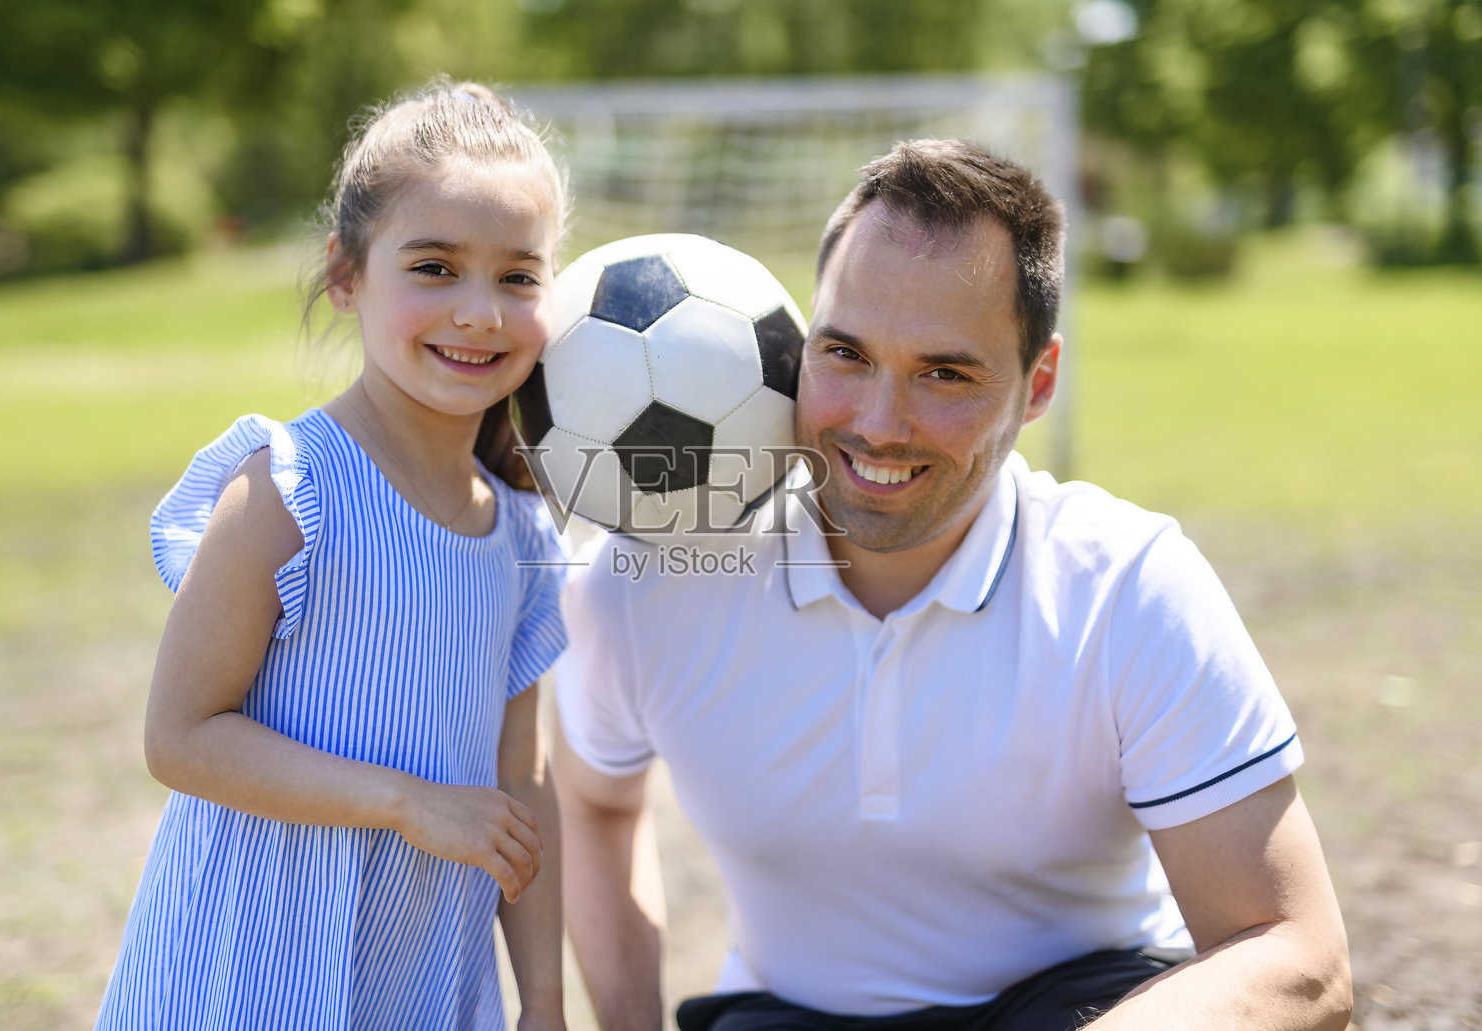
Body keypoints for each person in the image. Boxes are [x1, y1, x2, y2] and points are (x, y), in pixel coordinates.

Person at [553, 139, 1352, 1031]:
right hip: (790, 1014)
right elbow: (591, 800)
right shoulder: (645, 581)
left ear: (1037, 382)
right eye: (847, 354)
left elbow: (1298, 955)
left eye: (945, 374)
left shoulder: (1128, 587)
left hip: (1082, 1003)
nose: (877, 425)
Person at [95, 82, 572, 1031]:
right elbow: (180, 736)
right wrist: (406, 802)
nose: (479, 312)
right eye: (435, 267)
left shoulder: (522, 531)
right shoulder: (288, 488)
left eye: (518, 276)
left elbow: (519, 784)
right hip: (246, 979)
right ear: (347, 275)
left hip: (425, 980)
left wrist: (546, 1001)